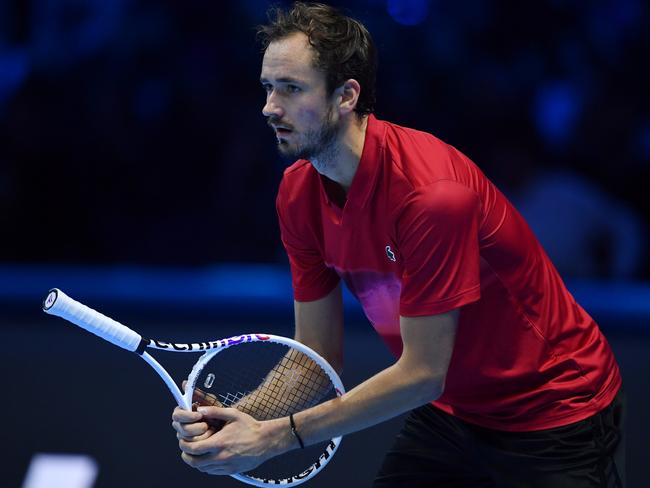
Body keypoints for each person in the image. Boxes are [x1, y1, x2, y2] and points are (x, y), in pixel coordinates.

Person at [171, 3, 625, 486]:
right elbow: (316, 351)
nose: (269, 107)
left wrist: (275, 437)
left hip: (555, 410)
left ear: (346, 96)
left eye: (291, 88)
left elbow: (423, 373)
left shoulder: (431, 196)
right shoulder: (297, 194)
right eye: (268, 87)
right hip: (455, 410)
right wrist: (246, 419)